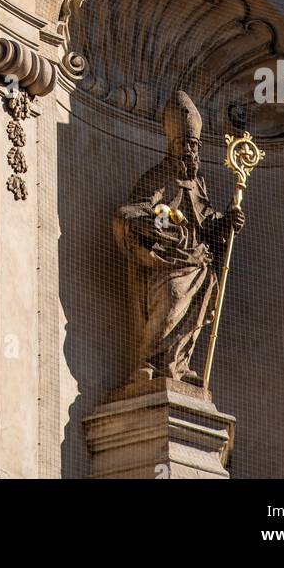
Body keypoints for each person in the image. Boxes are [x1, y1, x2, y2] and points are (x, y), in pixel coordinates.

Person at [114, 90, 244, 385]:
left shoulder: (199, 184)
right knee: (172, 298)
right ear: (172, 148)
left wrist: (228, 221)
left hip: (198, 261)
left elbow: (208, 223)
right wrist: (167, 225)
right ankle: (149, 361)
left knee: (197, 306)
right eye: (184, 145)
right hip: (168, 260)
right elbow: (133, 212)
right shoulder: (160, 176)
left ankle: (178, 363)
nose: (190, 152)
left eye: (194, 146)